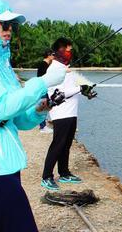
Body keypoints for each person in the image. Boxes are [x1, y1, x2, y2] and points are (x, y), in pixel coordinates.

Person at [0, 0, 66, 232]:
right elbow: (2, 107)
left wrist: (39, 110)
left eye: (11, 26)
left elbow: (17, 119)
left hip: (4, 167)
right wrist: (44, 81)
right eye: (3, 25)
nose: (9, 31)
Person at [41, 37, 97, 191]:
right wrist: (80, 88)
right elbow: (57, 93)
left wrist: (86, 91)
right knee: (57, 145)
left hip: (72, 112)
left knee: (66, 144)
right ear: (60, 50)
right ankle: (46, 177)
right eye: (68, 50)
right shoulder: (54, 69)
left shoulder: (66, 68)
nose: (70, 52)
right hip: (61, 113)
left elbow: (72, 86)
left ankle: (64, 173)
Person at [36, 49, 55, 132]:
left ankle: (44, 125)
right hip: (42, 89)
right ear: (48, 55)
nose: (54, 56)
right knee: (44, 106)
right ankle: (43, 127)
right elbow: (44, 78)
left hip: (44, 88)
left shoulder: (47, 64)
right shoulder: (43, 65)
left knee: (46, 106)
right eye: (53, 54)